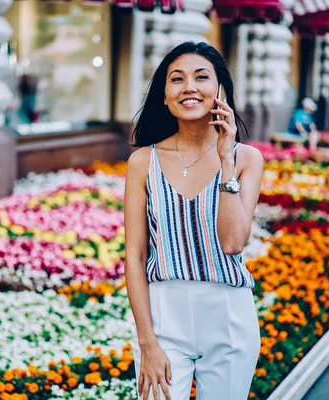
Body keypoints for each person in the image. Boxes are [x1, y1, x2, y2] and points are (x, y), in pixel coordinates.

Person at [124, 42, 263, 400]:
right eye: (176, 79)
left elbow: (232, 243)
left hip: (229, 318)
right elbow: (135, 257)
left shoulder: (246, 159)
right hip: (163, 317)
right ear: (165, 96)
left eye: (202, 77)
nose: (189, 87)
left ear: (221, 92)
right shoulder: (143, 161)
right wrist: (147, 342)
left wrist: (225, 161)